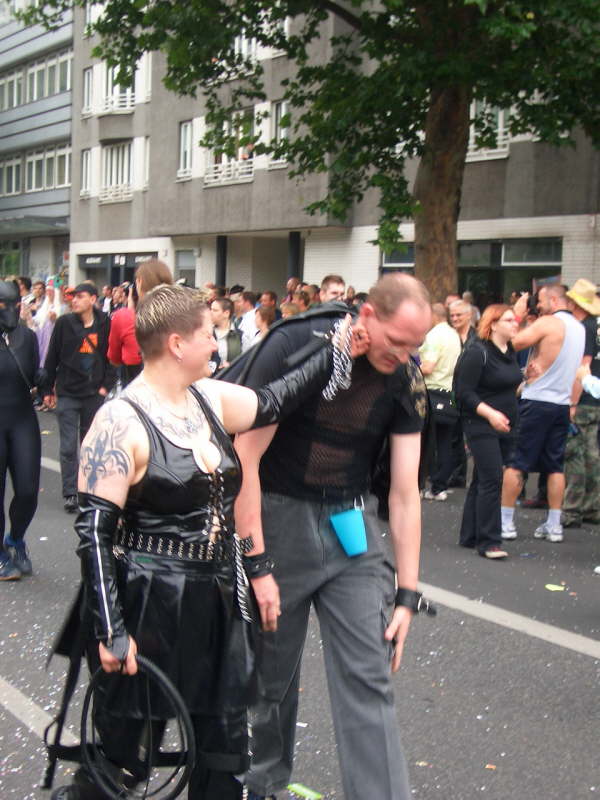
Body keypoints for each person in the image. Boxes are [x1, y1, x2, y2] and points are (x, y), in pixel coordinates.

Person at [49, 284, 346, 800]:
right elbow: (94, 535)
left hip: (216, 599)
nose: (218, 345)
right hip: (148, 600)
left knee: (223, 754)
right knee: (121, 760)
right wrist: (112, 630)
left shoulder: (208, 399)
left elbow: (275, 399)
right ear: (177, 344)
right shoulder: (120, 420)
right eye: (209, 335)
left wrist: (338, 348)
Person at [232, 274, 432, 800]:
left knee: (370, 673)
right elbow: (243, 460)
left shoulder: (405, 378)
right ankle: (262, 785)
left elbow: (405, 494)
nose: (408, 356)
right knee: (269, 678)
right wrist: (256, 563)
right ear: (367, 315)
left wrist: (407, 595)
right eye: (399, 341)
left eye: (417, 346)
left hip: (351, 527)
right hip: (275, 519)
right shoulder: (299, 343)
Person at [501, 285, 585, 542]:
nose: (537, 304)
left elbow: (511, 343)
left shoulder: (549, 323)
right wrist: (572, 404)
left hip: (537, 400)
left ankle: (504, 523)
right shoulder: (580, 328)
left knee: (517, 462)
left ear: (553, 299)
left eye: (540, 300)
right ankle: (554, 525)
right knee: (555, 465)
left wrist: (515, 317)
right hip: (560, 404)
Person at [454, 305, 521, 558]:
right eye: (508, 320)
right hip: (480, 422)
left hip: (507, 423)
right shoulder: (477, 352)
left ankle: (470, 534)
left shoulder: (510, 351)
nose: (515, 324)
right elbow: (464, 392)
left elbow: (504, 386)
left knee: (484, 478)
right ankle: (489, 541)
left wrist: (527, 379)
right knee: (493, 478)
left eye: (515, 320)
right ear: (493, 324)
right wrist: (490, 414)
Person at [42, 283, 116, 513]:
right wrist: (46, 390)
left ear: (93, 299)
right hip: (67, 392)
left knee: (90, 445)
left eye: (80, 297)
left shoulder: (105, 323)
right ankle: (70, 493)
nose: (74, 301)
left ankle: (87, 491)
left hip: (93, 393)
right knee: (67, 447)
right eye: (73, 297)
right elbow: (52, 356)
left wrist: (105, 387)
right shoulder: (64, 323)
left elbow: (111, 356)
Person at [0, 281, 43, 580]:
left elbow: (35, 372)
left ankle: (15, 538)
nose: (9, 310)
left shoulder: (27, 337)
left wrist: (45, 378)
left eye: (13, 303)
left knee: (28, 490)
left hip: (23, 420)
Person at [560, 279, 600, 527]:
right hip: (596, 399)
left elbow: (581, 368)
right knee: (593, 453)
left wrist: (572, 404)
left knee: (575, 454)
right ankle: (592, 506)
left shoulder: (583, 327)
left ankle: (572, 509)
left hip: (585, 398)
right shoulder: (596, 326)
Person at [419, 302, 462, 501]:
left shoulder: (434, 336)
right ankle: (439, 486)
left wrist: (410, 371)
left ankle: (418, 485)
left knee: (422, 441)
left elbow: (428, 367)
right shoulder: (454, 335)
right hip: (449, 393)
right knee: (445, 442)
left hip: (432, 391)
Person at [108, 259, 173, 386]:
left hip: (137, 390)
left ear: (139, 282)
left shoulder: (124, 317)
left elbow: (114, 358)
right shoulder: (181, 317)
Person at [211, 296, 242, 370]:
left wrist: (231, 366)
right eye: (211, 309)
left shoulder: (240, 335)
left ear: (226, 313)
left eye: (215, 310)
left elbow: (246, 361)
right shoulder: (206, 333)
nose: (210, 312)